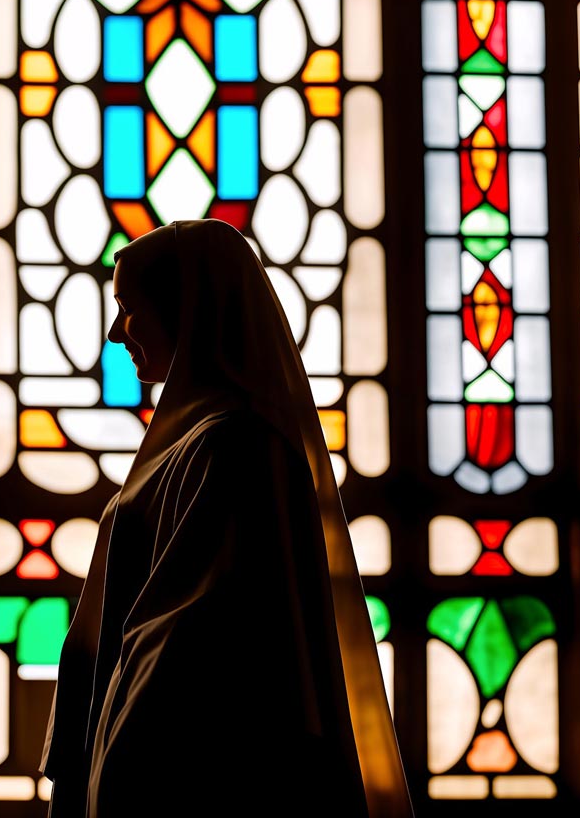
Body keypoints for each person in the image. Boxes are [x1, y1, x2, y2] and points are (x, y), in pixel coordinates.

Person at [40, 219, 414, 817]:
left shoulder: (234, 447)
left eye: (130, 309)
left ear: (189, 310)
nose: (116, 333)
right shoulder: (197, 444)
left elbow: (189, 644)